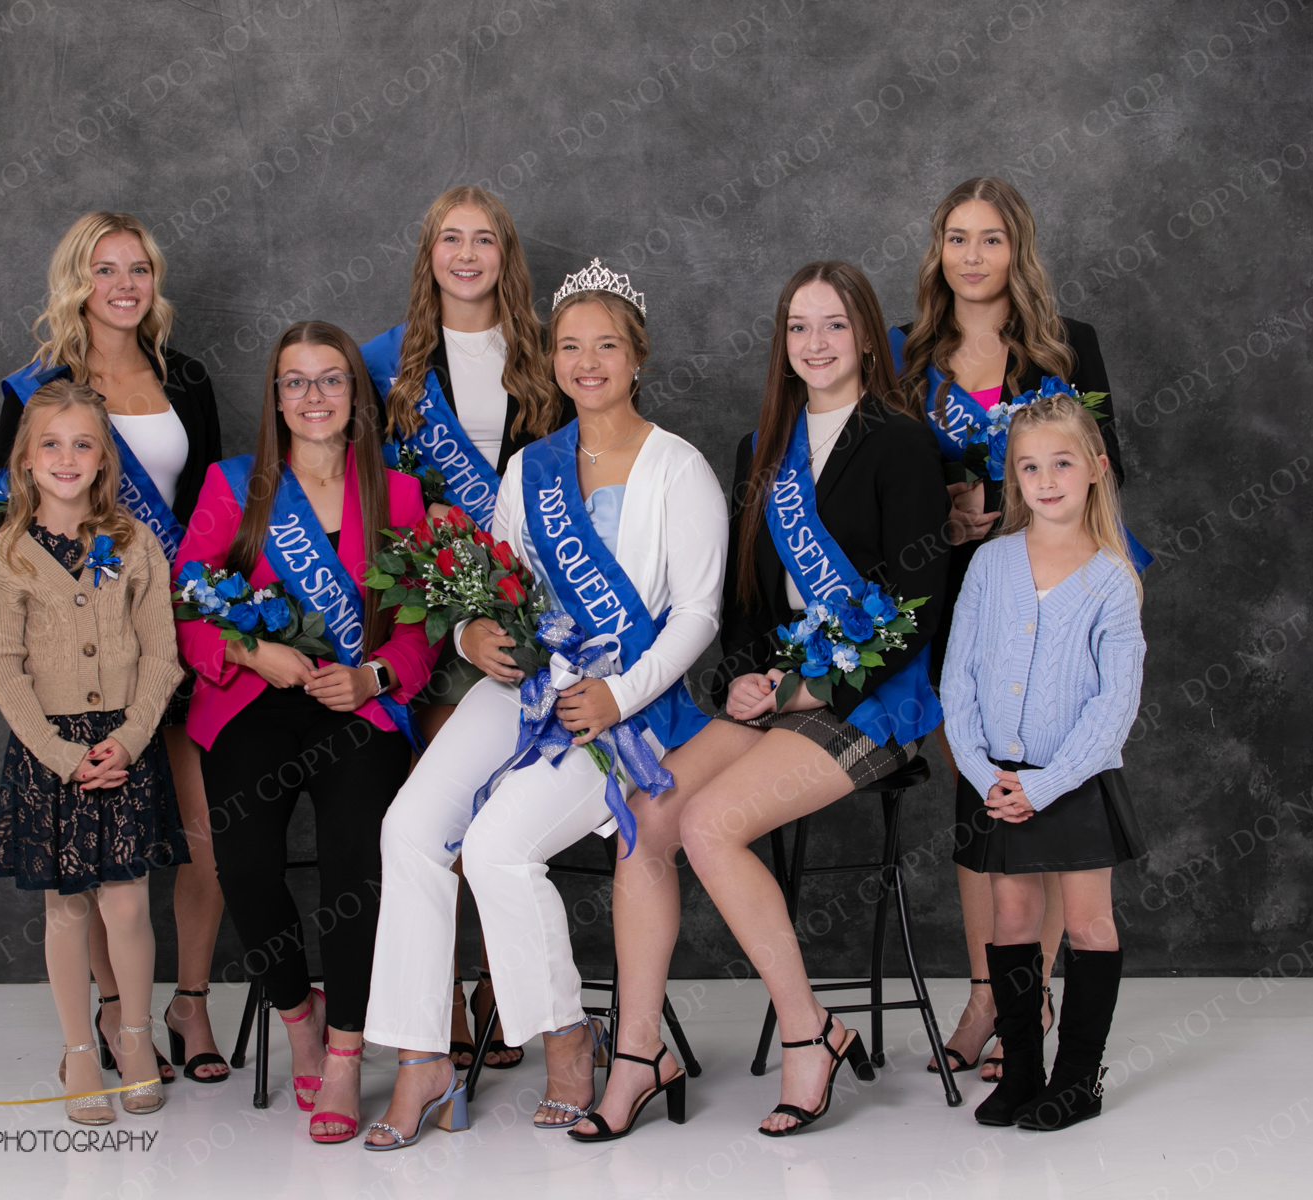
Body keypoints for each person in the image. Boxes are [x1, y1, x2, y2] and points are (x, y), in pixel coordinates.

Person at [362, 260, 725, 1150]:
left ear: (636, 357)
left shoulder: (679, 467)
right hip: (526, 684)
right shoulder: (532, 467)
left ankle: (568, 1037)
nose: (586, 363)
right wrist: (467, 637)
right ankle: (422, 1055)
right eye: (570, 346)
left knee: (496, 846)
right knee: (408, 829)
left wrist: (618, 694)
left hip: (626, 707)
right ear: (552, 359)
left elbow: (699, 614)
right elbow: (501, 583)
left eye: (606, 346)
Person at [590, 262, 950, 1140]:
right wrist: (742, 677)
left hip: (870, 699)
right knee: (645, 819)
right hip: (779, 691)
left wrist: (810, 686)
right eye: (798, 327)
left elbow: (918, 602)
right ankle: (639, 1052)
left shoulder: (903, 442)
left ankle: (807, 1032)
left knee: (711, 825)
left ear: (865, 336)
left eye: (834, 325)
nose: (815, 344)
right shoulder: (763, 450)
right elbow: (747, 602)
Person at [890, 178, 1131, 1081]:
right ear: (938, 251)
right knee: (979, 792)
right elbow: (884, 484)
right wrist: (941, 520)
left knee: (1053, 783)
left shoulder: (1068, 347)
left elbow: (1107, 466)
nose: (973, 256)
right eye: (957, 238)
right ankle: (989, 992)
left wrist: (1017, 509)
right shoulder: (907, 356)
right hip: (956, 589)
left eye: (991, 238)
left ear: (1017, 248)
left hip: (1051, 581)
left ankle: (1038, 996)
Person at [175, 321, 436, 1144]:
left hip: (356, 706)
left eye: (331, 379)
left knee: (354, 863)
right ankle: (300, 1020)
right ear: (276, 397)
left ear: (356, 394)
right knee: (244, 864)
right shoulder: (234, 484)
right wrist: (253, 652)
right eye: (296, 381)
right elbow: (185, 606)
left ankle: (348, 1054)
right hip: (253, 698)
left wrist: (373, 677)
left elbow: (417, 631)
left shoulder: (399, 495)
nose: (314, 396)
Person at [0, 211, 228, 1085]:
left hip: (180, 622)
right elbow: (3, 511)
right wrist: (92, 597)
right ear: (77, 282)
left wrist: (197, 605)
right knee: (92, 846)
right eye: (105, 269)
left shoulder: (186, 377)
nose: (124, 285)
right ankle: (118, 1016)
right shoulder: (41, 387)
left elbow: (214, 501)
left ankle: (189, 1003)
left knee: (201, 834)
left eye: (139, 269)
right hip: (87, 644)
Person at [360, 186, 571, 1071]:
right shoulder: (389, 365)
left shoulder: (545, 355)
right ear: (430, 255)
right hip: (441, 606)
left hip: (539, 602)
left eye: (484, 239)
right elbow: (372, 495)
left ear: (505, 255)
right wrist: (450, 600)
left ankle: (501, 985)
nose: (467, 254)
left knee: (509, 806)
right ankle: (444, 988)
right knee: (444, 802)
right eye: (451, 238)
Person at [0, 379, 187, 1124]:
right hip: (51, 754)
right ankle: (78, 1051)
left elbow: (161, 654)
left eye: (83, 444)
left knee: (127, 902)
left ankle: (134, 1037)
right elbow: (3, 670)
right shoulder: (7, 558)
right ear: (27, 461)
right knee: (66, 909)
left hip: (126, 745)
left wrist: (129, 739)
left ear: (102, 461)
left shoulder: (129, 546)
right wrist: (62, 755)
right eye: (51, 445)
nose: (67, 458)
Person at [939, 393, 1146, 1131]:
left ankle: (1078, 1079)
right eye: (1029, 468)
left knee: (1087, 921)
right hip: (996, 778)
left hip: (1075, 779)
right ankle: (1022, 1068)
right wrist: (981, 772)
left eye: (1062, 463)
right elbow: (958, 677)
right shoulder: (990, 564)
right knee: (1012, 915)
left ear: (1095, 469)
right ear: (1013, 478)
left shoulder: (1113, 578)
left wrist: (1046, 783)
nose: (1046, 480)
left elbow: (1115, 703)